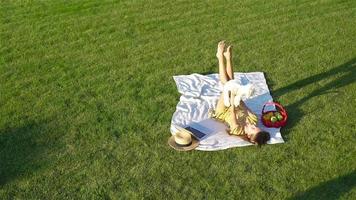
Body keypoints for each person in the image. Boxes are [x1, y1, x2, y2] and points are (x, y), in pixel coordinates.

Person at [209, 41, 270, 146]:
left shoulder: (238, 130)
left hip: (223, 111)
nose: (254, 125)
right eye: (256, 127)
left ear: (249, 136)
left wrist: (233, 94)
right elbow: (243, 106)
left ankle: (220, 57)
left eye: (253, 129)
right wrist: (237, 93)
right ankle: (227, 58)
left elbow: (232, 111)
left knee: (227, 86)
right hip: (235, 104)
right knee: (231, 84)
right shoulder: (253, 119)